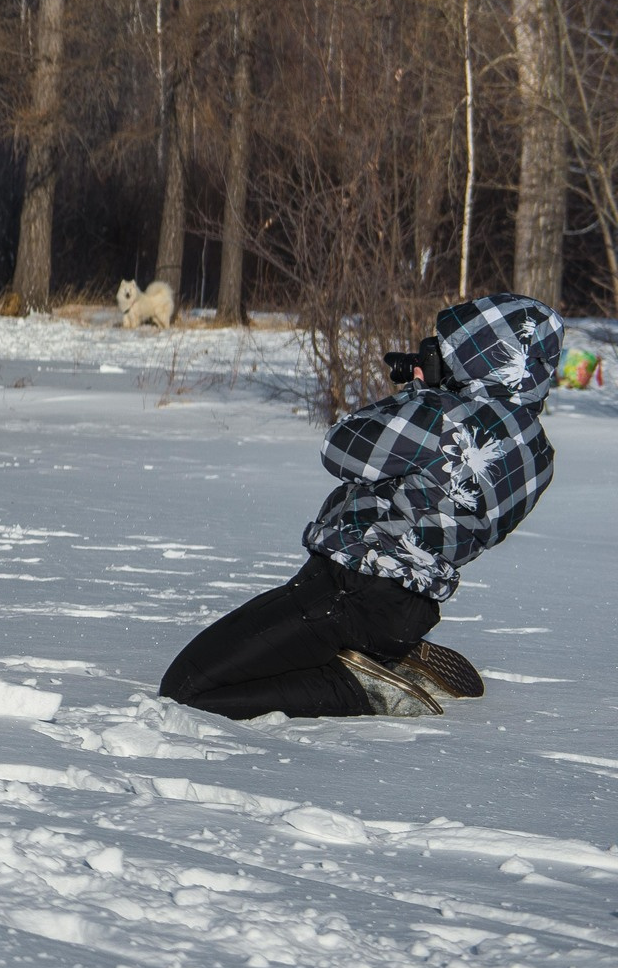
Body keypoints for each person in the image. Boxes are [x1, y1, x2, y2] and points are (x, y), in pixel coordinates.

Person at [162, 295, 559, 719]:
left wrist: (421, 395)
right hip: (409, 610)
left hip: (347, 590)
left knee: (187, 687)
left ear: (480, 350)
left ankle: (359, 687)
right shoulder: (539, 455)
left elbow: (342, 447)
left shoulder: (444, 417)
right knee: (271, 659)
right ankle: (388, 656)